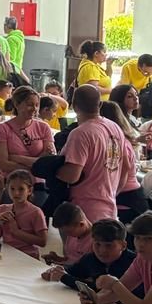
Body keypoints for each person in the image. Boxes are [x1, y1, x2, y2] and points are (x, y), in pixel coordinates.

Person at [54, 85, 133, 224]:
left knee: (81, 246)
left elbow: (72, 176)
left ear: (74, 106)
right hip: (109, 205)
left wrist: (52, 168)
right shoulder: (114, 127)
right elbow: (126, 167)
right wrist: (112, 193)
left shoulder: (80, 133)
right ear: (100, 104)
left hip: (84, 210)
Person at [42, 217, 134, 292]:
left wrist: (65, 277)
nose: (102, 251)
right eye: (97, 244)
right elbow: (73, 271)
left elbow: (101, 290)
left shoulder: (134, 264)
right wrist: (58, 270)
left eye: (109, 246)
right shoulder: (90, 258)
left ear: (123, 245)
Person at [0, 86, 53, 177]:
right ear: (17, 104)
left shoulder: (43, 127)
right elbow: (3, 165)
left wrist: (17, 158)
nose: (34, 109)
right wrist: (37, 165)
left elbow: (50, 161)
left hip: (40, 184)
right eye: (29, 105)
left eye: (36, 105)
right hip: (13, 184)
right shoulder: (2, 129)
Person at [0, 170, 47, 256]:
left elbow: (43, 241)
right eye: (12, 189)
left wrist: (16, 231)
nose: (16, 193)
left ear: (29, 190)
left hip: (27, 255)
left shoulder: (36, 212)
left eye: (21, 189)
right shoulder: (2, 208)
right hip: (6, 252)